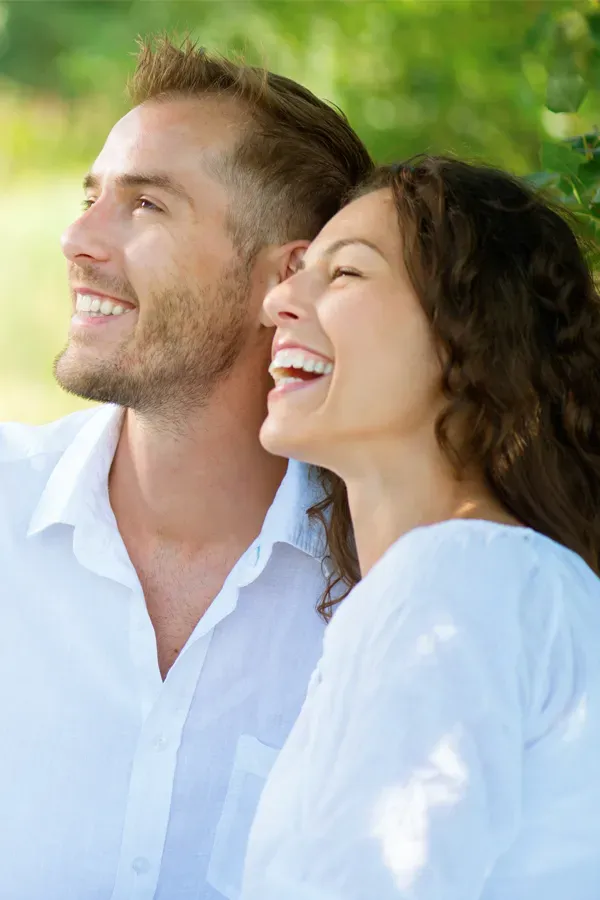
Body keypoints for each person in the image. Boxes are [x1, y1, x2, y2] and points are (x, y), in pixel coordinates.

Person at [0, 37, 371, 900]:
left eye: (146, 206)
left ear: (285, 281)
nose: (77, 239)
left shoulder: (384, 588)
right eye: (91, 196)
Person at [241, 156, 600, 900]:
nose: (278, 302)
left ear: (466, 333)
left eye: (344, 274)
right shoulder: (485, 584)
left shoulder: (458, 583)